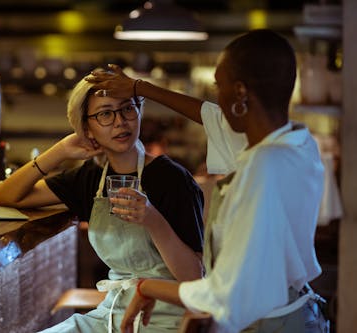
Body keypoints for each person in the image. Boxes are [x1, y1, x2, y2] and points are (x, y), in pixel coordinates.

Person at [86, 29, 327, 333]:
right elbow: (211, 116)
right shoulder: (297, 145)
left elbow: (226, 295)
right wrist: (138, 87)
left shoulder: (262, 168)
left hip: (271, 325)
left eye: (219, 86)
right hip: (299, 314)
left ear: (239, 93)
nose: (217, 97)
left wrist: (149, 288)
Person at [0, 73, 205, 332]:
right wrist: (59, 151)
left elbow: (194, 278)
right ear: (86, 127)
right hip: (111, 315)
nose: (120, 122)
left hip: (166, 320)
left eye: (128, 109)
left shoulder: (171, 178)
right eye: (105, 114)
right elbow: (6, 195)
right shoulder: (90, 177)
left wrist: (153, 220)